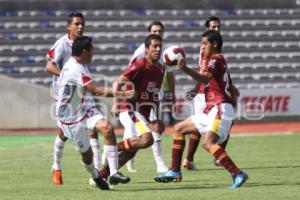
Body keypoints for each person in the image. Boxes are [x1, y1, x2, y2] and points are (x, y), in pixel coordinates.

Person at [154, 30, 248, 189]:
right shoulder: (220, 61)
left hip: (220, 108)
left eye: (205, 44)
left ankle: (237, 173)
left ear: (215, 44)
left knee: (208, 143)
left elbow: (205, 78)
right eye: (201, 44)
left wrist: (184, 68)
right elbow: (227, 85)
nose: (202, 47)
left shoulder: (215, 60)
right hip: (211, 109)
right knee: (178, 129)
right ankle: (175, 171)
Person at [56, 36, 131, 190]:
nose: (93, 54)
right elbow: (97, 90)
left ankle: (114, 173)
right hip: (70, 118)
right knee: (87, 156)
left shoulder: (79, 64)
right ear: (84, 51)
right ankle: (95, 176)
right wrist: (125, 94)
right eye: (92, 51)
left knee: (108, 128)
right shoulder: (75, 68)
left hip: (84, 108)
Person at [99, 34, 166, 179]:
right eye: (155, 46)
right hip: (130, 110)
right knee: (148, 140)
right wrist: (117, 103)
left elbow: (155, 95)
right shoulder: (139, 65)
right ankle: (111, 149)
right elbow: (118, 82)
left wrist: (158, 118)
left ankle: (100, 175)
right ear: (147, 49)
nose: (158, 49)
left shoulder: (161, 69)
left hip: (144, 114)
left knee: (131, 151)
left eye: (160, 46)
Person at [45, 12, 101, 185]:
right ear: (68, 26)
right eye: (76, 24)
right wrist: (68, 76)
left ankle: (97, 172)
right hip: (67, 95)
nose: (80, 27)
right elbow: (48, 65)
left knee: (95, 127)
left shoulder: (84, 44)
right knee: (63, 134)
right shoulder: (61, 44)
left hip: (83, 92)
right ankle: (56, 167)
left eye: (82, 24)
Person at [118, 21, 172, 173]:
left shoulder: (165, 54)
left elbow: (169, 75)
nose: (158, 32)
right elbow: (128, 76)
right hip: (138, 100)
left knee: (144, 134)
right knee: (145, 135)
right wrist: (125, 97)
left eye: (160, 30)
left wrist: (169, 94)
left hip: (153, 94)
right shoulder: (140, 54)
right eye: (155, 30)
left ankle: (114, 163)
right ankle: (159, 164)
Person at [182, 16, 230, 170]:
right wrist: (197, 89)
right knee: (198, 126)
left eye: (218, 27)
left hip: (212, 93)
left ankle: (194, 159)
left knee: (213, 125)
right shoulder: (206, 51)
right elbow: (204, 75)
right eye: (213, 27)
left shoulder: (214, 51)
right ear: (206, 29)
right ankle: (190, 159)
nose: (216, 29)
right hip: (206, 95)